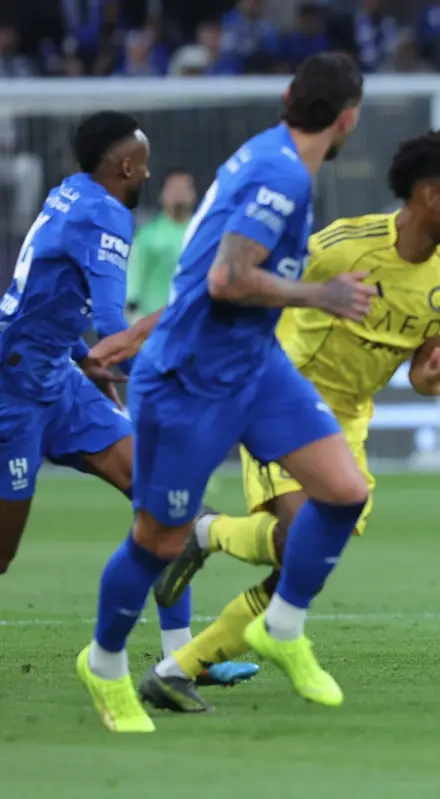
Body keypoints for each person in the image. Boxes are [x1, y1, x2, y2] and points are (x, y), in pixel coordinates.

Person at [77, 53, 374, 734]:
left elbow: (197, 276)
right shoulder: (278, 173)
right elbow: (226, 279)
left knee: (343, 490)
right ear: (348, 118)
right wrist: (319, 294)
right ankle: (104, 661)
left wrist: (136, 331)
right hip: (190, 381)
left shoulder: (265, 156)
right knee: (157, 539)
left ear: (290, 97)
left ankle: (282, 625)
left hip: (254, 366)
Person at [140, 130, 440, 713]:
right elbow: (235, 282)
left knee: (304, 555)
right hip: (281, 396)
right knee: (301, 540)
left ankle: (180, 651)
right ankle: (216, 586)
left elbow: (427, 360)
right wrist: (134, 338)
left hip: (347, 419)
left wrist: (430, 378)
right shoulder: (343, 246)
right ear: (428, 195)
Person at [0, 111, 256, 688]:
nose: (149, 171)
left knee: (162, 502)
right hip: (12, 392)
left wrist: (81, 357)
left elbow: (56, 299)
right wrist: (185, 315)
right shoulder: (107, 214)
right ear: (124, 167)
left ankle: (179, 661)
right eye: (143, 162)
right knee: (2, 554)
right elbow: (116, 326)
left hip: (60, 378)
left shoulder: (69, 193)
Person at [125, 169, 197, 321]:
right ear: (163, 196)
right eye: (173, 189)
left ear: (193, 195)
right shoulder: (148, 235)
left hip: (192, 323)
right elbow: (134, 276)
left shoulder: (201, 232)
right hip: (153, 325)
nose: (179, 194)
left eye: (184, 188)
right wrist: (134, 314)